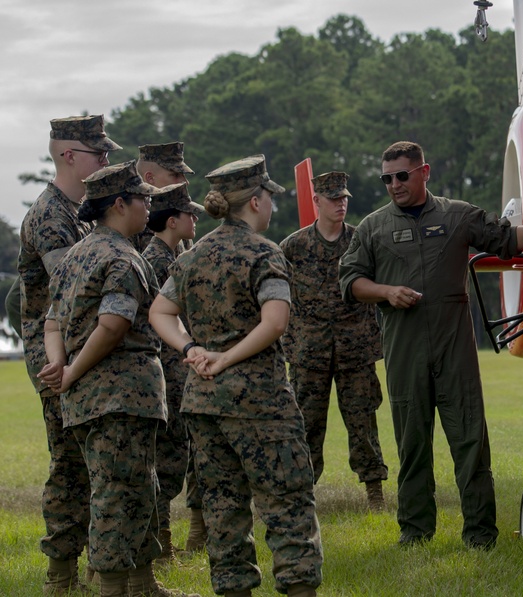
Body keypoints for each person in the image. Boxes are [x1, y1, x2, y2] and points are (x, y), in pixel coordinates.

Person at [339, 141, 523, 549]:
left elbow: (506, 240)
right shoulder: (373, 227)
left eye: (402, 175)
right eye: (386, 178)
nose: (394, 184)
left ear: (424, 171)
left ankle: (481, 535)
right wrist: (385, 292)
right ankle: (415, 533)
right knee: (412, 445)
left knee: (470, 442)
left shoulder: (457, 215)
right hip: (404, 351)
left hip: (455, 352)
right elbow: (350, 281)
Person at [149, 155, 322, 597]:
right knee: (287, 502)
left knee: (223, 510)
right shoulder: (264, 252)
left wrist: (191, 349)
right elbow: (276, 321)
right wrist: (226, 358)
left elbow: (160, 311)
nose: (272, 207)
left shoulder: (195, 255)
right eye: (270, 198)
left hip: (204, 404)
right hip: (259, 403)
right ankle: (299, 589)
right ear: (257, 200)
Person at [40, 161, 194, 596]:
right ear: (120, 204)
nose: (150, 206)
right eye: (143, 198)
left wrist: (60, 366)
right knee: (117, 498)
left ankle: (143, 584)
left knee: (137, 487)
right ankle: (113, 588)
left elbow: (52, 323)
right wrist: (69, 371)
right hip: (119, 397)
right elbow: (112, 325)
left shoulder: (76, 255)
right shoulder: (122, 258)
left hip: (92, 400)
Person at [17, 114, 119, 594]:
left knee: (102, 462)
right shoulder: (49, 216)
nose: (106, 159)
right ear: (67, 155)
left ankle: (106, 570)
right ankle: (62, 577)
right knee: (72, 464)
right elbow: (77, 291)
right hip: (58, 359)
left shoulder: (84, 213)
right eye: (98, 152)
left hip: (89, 352)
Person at [279, 171, 388, 508]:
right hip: (308, 352)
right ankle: (301, 493)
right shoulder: (294, 246)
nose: (341, 204)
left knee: (363, 423)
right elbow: (275, 295)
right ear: (317, 202)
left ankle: (374, 491)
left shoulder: (360, 241)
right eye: (333, 199)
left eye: (344, 198)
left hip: (355, 350)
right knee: (306, 425)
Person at [137, 141, 206, 550]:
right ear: (173, 220)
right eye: (190, 214)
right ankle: (159, 541)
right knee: (167, 461)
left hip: (181, 370)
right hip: (167, 370)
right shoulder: (158, 260)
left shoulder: (178, 253)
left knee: (183, 455)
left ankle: (176, 537)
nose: (195, 220)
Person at [131, 142, 195, 252]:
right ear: (150, 178)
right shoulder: (132, 220)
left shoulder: (179, 217)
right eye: (175, 175)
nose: (185, 181)